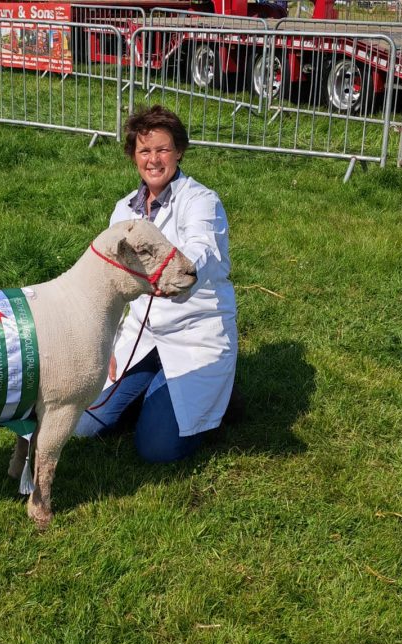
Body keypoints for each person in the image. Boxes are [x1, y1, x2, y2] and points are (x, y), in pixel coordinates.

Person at [73, 105, 238, 463]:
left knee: (157, 451)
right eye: (144, 150)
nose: (154, 159)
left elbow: (203, 248)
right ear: (133, 155)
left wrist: (180, 271)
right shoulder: (123, 211)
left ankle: (213, 399)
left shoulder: (202, 202)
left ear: (179, 151)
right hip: (142, 334)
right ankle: (150, 391)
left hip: (196, 335)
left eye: (163, 149)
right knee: (83, 426)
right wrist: (107, 346)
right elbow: (110, 282)